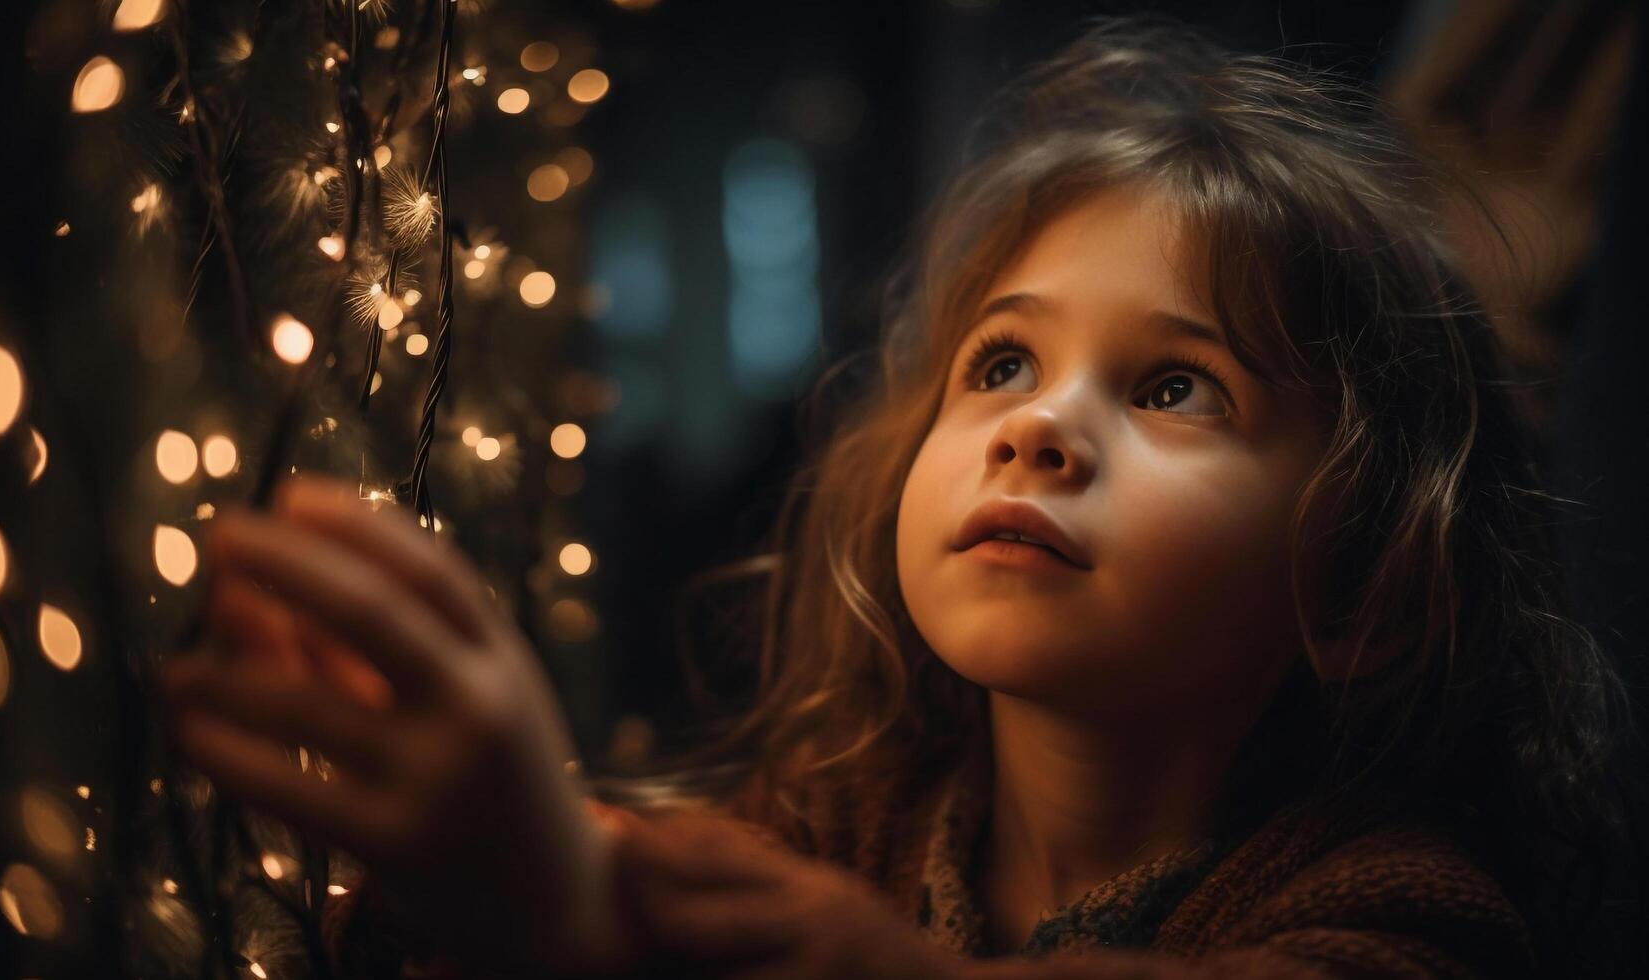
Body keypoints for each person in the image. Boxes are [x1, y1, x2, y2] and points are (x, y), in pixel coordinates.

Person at [158, 18, 1643, 980]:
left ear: (1369, 583)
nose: (1042, 427)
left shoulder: (1401, 911)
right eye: (1000, 362)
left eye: (1177, 387)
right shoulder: (850, 816)